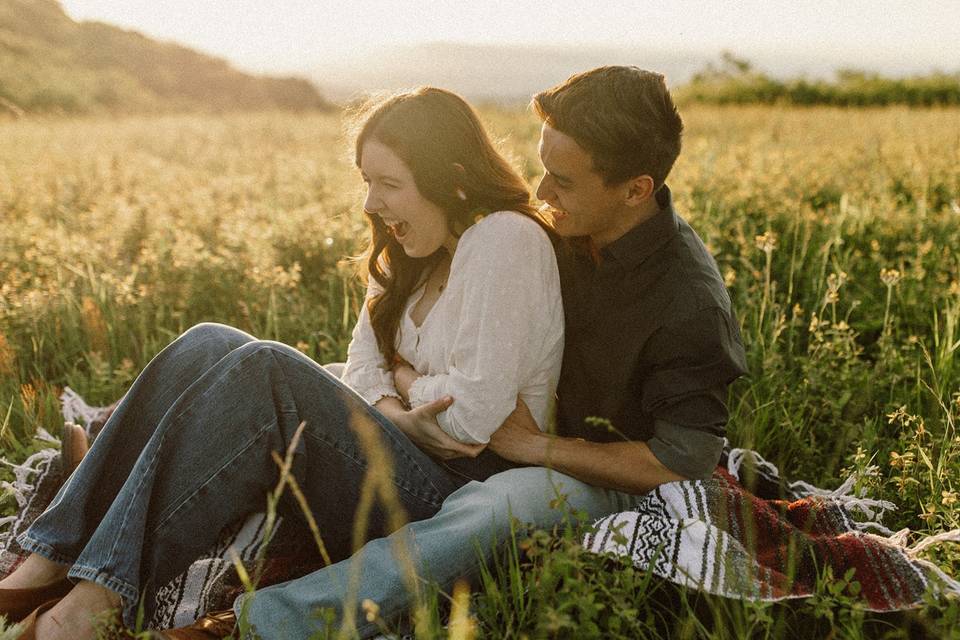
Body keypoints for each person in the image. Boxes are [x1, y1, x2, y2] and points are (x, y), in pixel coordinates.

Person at [0, 87, 564, 640]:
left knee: (266, 368)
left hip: (455, 498)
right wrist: (398, 410)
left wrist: (401, 381)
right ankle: (52, 557)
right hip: (392, 453)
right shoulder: (409, 247)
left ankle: (95, 602)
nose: (371, 203)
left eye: (389, 184)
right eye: (368, 181)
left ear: (455, 180)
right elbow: (362, 364)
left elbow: (469, 421)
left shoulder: (504, 240)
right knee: (209, 341)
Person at [216, 66, 748, 639]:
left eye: (562, 181)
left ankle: (269, 624)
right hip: (497, 426)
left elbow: (682, 459)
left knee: (498, 507)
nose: (543, 193)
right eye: (544, 169)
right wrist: (401, 371)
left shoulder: (688, 303)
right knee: (307, 382)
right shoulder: (561, 229)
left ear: (636, 189)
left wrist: (537, 446)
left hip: (593, 472)